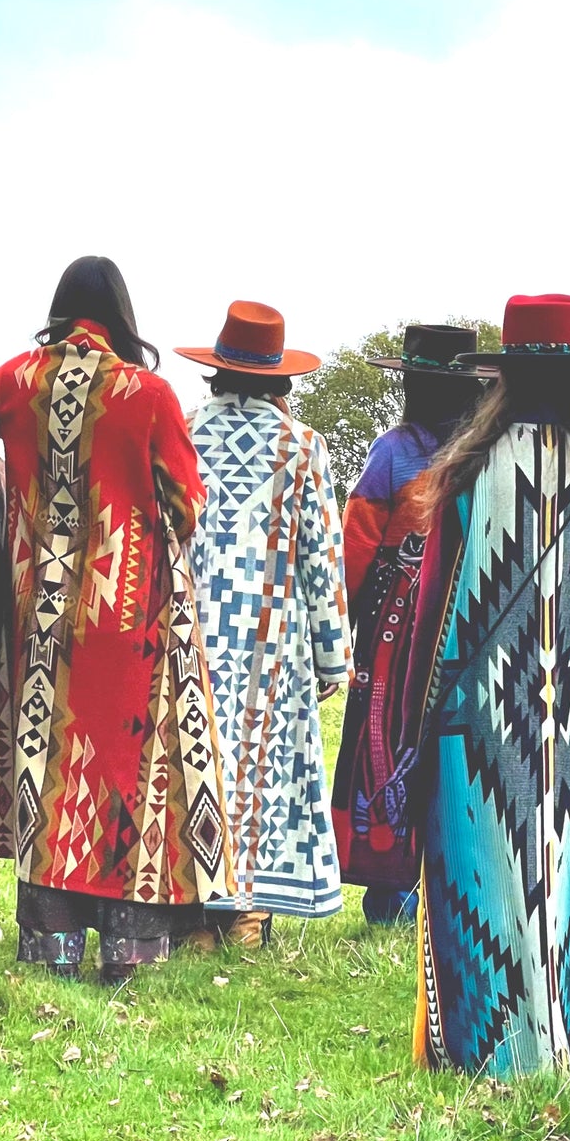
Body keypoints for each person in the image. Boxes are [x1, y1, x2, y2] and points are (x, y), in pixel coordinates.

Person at [0, 256, 231, 985]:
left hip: (38, 619)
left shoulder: (18, 380)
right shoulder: (150, 394)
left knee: (49, 770)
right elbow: (187, 506)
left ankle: (52, 948)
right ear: (122, 317)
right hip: (130, 617)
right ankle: (126, 951)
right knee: (127, 775)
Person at [405, 295, 570, 1078]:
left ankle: (484, 1051)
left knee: (483, 886)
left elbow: (434, 613)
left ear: (503, 383)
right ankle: (565, 1048)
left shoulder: (469, 473)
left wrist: (411, 733)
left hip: (477, 727)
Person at [177, 303, 353, 946]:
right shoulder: (303, 447)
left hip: (192, 631)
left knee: (195, 764)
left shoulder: (184, 433)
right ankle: (248, 915)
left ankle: (196, 913)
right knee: (262, 772)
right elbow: (321, 556)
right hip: (271, 638)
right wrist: (335, 656)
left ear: (216, 372)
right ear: (281, 380)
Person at [330, 325, 492, 925]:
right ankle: (452, 893)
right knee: (456, 749)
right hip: (472, 628)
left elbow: (356, 546)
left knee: (388, 746)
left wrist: (339, 620)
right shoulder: (489, 453)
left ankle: (393, 896)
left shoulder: (393, 453)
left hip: (395, 636)